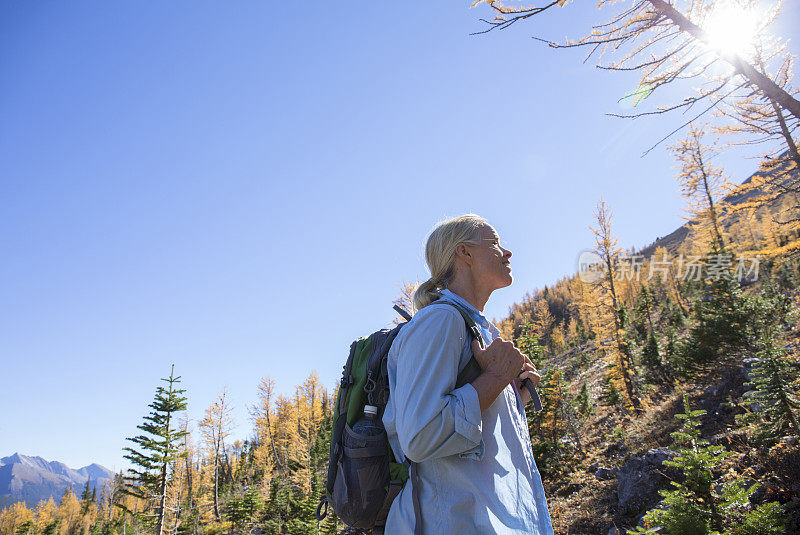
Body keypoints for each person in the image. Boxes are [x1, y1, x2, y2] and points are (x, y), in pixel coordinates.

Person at [382, 214, 555, 534]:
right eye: (496, 243)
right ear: (465, 253)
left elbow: (478, 437)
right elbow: (420, 438)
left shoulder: (476, 328)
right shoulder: (440, 321)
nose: (508, 253)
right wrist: (495, 379)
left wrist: (516, 396)